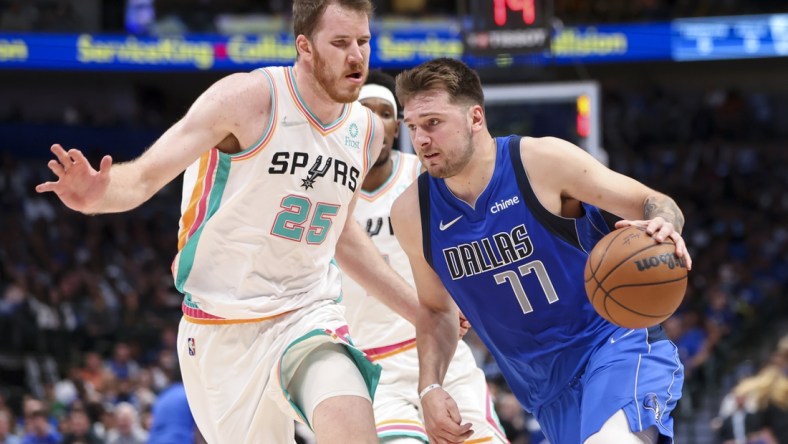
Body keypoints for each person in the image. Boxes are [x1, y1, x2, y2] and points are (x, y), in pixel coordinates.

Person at [35, 1, 421, 442]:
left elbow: (342, 236)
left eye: (363, 42)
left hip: (307, 313)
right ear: (305, 47)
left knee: (350, 420)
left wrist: (420, 311)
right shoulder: (247, 99)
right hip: (221, 327)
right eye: (340, 43)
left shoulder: (367, 132)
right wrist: (96, 195)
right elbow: (143, 176)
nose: (357, 56)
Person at [390, 58, 693, 444]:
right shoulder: (412, 214)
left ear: (475, 118)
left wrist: (665, 225)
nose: (421, 140)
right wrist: (429, 387)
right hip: (543, 391)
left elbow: (653, 201)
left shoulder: (540, 162)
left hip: (614, 346)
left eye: (433, 123)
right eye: (412, 127)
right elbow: (435, 310)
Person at [341, 70, 508, 442]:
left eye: (384, 113)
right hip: (369, 366)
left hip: (441, 355)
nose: (375, 123)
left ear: (396, 124)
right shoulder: (328, 188)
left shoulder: (424, 175)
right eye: (364, 111)